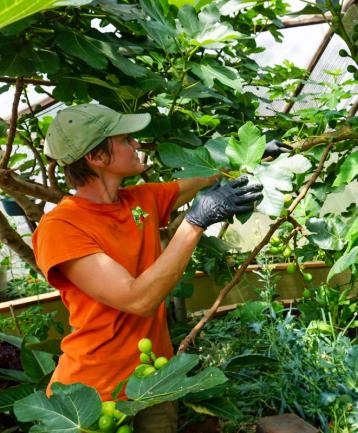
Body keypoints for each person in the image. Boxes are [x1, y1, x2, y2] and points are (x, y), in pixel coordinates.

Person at [32, 103, 264, 432]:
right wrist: (196, 221)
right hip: (94, 396)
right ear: (97, 158)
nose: (137, 145)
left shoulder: (139, 199)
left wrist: (253, 158)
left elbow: (201, 178)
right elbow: (137, 299)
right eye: (126, 140)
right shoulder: (61, 227)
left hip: (152, 383)